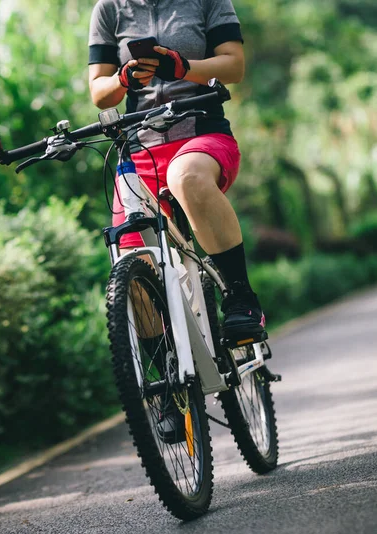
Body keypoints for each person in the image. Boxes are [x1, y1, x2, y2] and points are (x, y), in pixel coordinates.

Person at [88, 0, 266, 345]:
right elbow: (99, 92)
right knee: (131, 262)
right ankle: (168, 381)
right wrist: (124, 78)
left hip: (202, 136)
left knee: (185, 177)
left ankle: (241, 298)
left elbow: (234, 66)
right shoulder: (109, 9)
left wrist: (182, 67)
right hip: (141, 148)